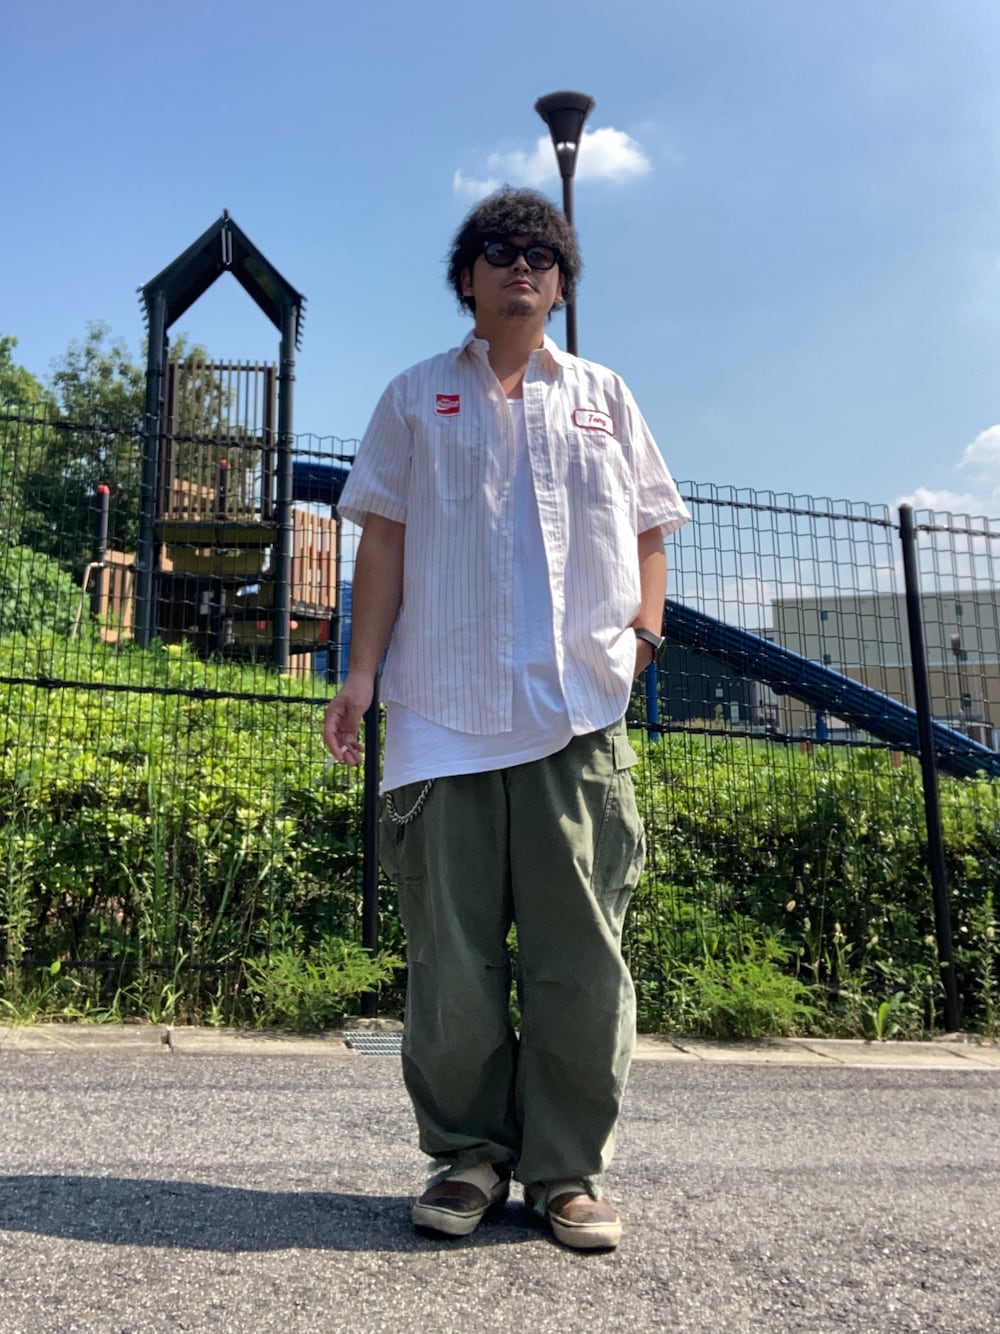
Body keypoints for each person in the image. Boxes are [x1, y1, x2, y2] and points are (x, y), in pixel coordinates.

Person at [324, 186, 690, 1251]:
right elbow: (383, 542)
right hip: (441, 714)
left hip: (577, 713)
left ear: (562, 282)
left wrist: (644, 640)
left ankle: (566, 1170)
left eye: (542, 252)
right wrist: (359, 675)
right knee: (452, 962)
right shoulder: (413, 396)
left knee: (581, 957)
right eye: (499, 249)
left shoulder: (606, 397)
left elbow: (650, 530)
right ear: (467, 277)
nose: (522, 263)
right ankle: (469, 1156)